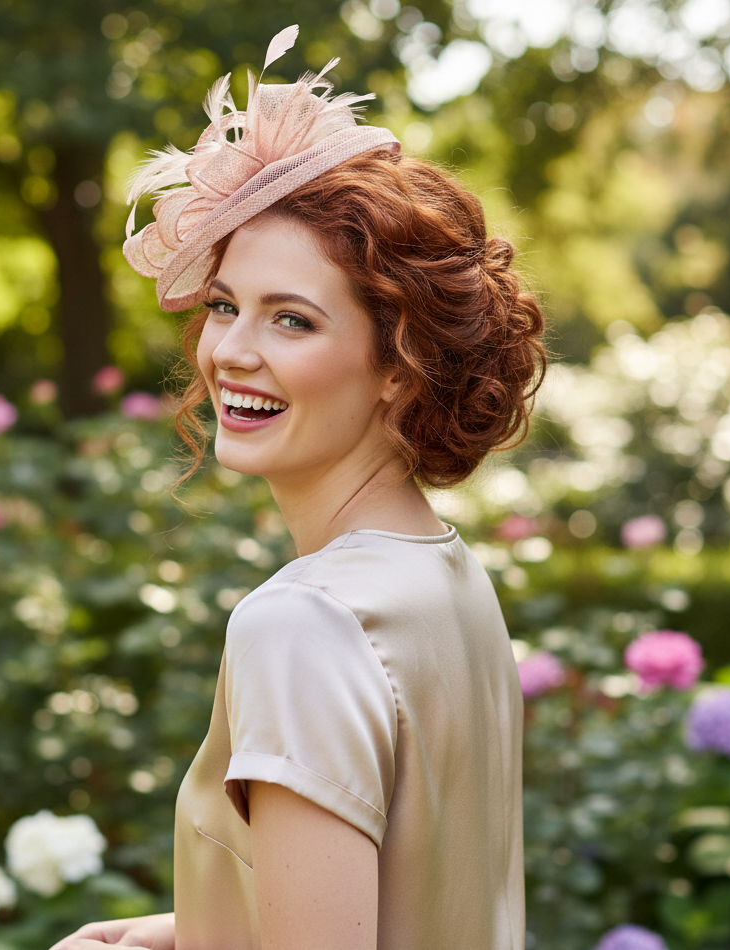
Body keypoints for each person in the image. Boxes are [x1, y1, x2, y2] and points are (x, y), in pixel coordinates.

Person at [50, 24, 545, 950]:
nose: (233, 350)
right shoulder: (445, 577)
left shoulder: (302, 622)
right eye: (227, 305)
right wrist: (180, 932)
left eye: (293, 319)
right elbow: (420, 890)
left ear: (398, 365)